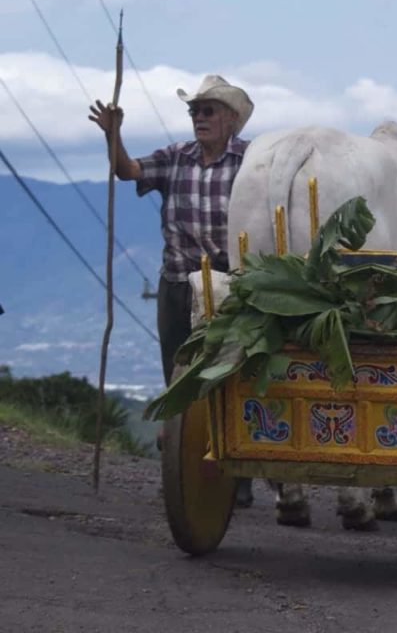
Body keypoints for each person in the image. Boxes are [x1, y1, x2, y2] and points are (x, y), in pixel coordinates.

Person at [89, 74, 256, 508]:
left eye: (207, 111)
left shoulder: (252, 162)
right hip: (179, 284)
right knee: (179, 378)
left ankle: (236, 474)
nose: (198, 119)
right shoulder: (176, 157)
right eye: (194, 112)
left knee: (230, 375)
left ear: (231, 119)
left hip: (231, 288)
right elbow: (126, 171)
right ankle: (184, 474)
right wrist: (114, 135)